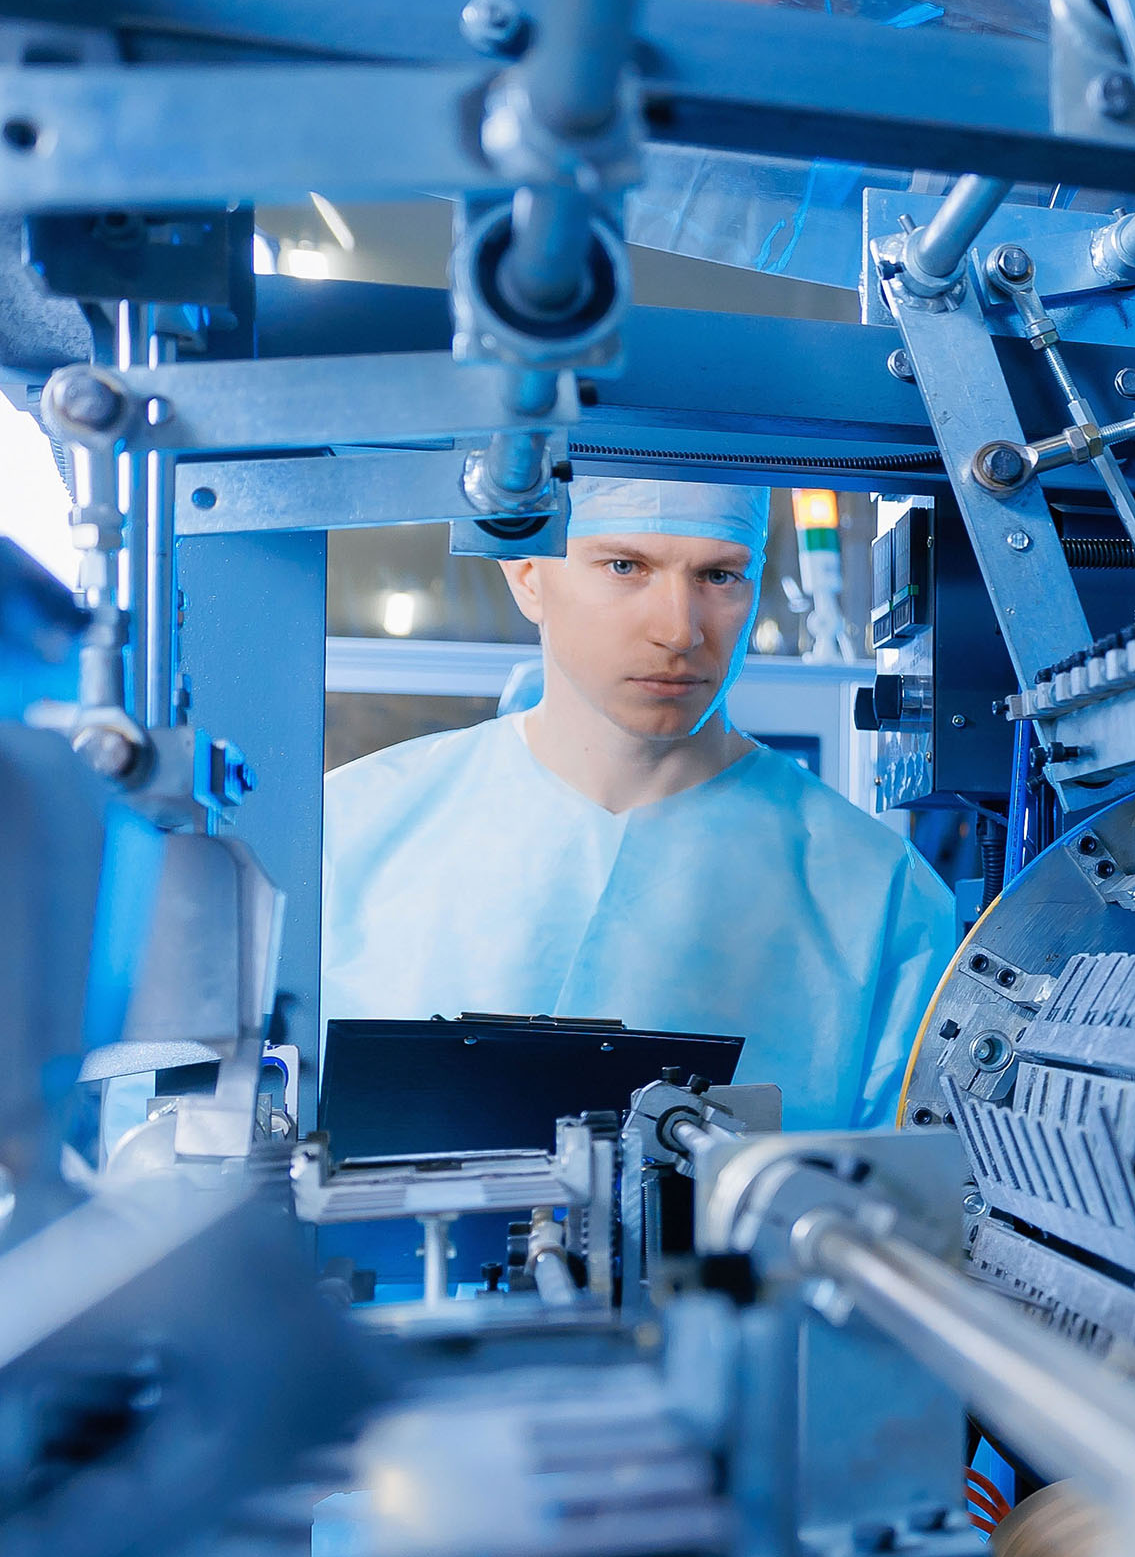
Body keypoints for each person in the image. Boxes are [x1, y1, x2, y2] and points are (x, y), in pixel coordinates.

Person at [322, 477, 957, 1129]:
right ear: (528, 575)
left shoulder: (880, 891)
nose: (678, 630)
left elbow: (910, 1196)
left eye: (719, 575)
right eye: (625, 566)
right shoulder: (347, 831)